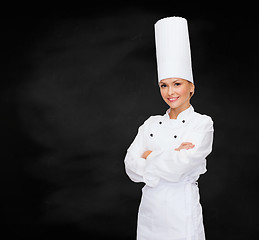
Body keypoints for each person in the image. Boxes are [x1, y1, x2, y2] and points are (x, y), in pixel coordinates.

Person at [124, 17, 214, 240]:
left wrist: (149, 156)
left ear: (191, 87)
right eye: (164, 85)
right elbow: (131, 167)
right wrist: (172, 155)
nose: (170, 92)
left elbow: (184, 164)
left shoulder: (202, 123)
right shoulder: (150, 124)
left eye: (177, 84)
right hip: (151, 210)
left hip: (181, 209)